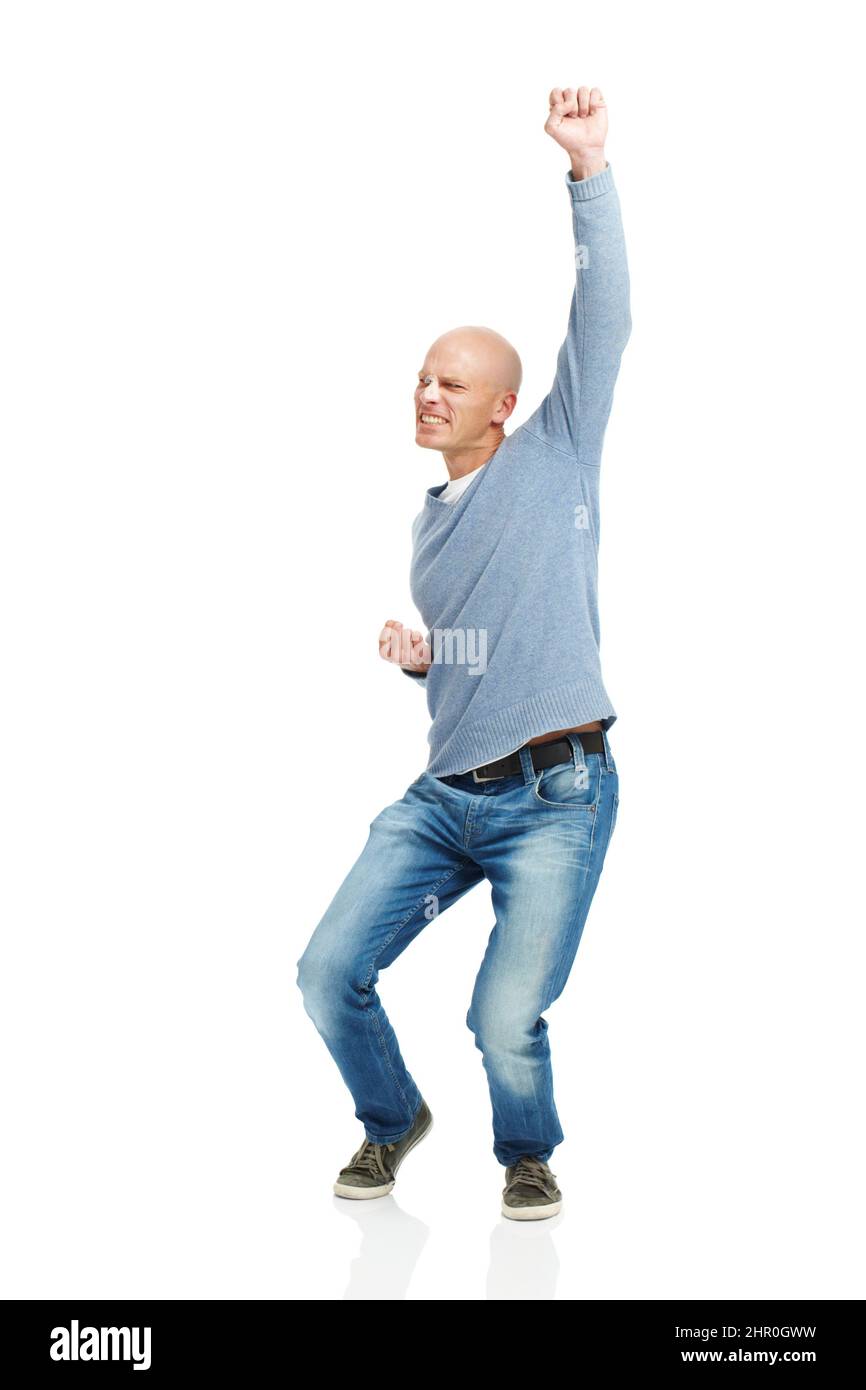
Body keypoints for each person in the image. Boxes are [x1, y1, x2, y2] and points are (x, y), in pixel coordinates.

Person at [297, 84, 631, 1220]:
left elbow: (605, 317)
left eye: (452, 383)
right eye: (422, 379)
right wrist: (421, 657)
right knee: (325, 971)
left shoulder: (557, 455)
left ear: (504, 405)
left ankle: (524, 1149)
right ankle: (392, 1120)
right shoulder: (428, 521)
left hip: (556, 793)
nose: (427, 394)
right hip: (444, 796)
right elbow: (479, 650)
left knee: (500, 1017)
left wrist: (584, 172)